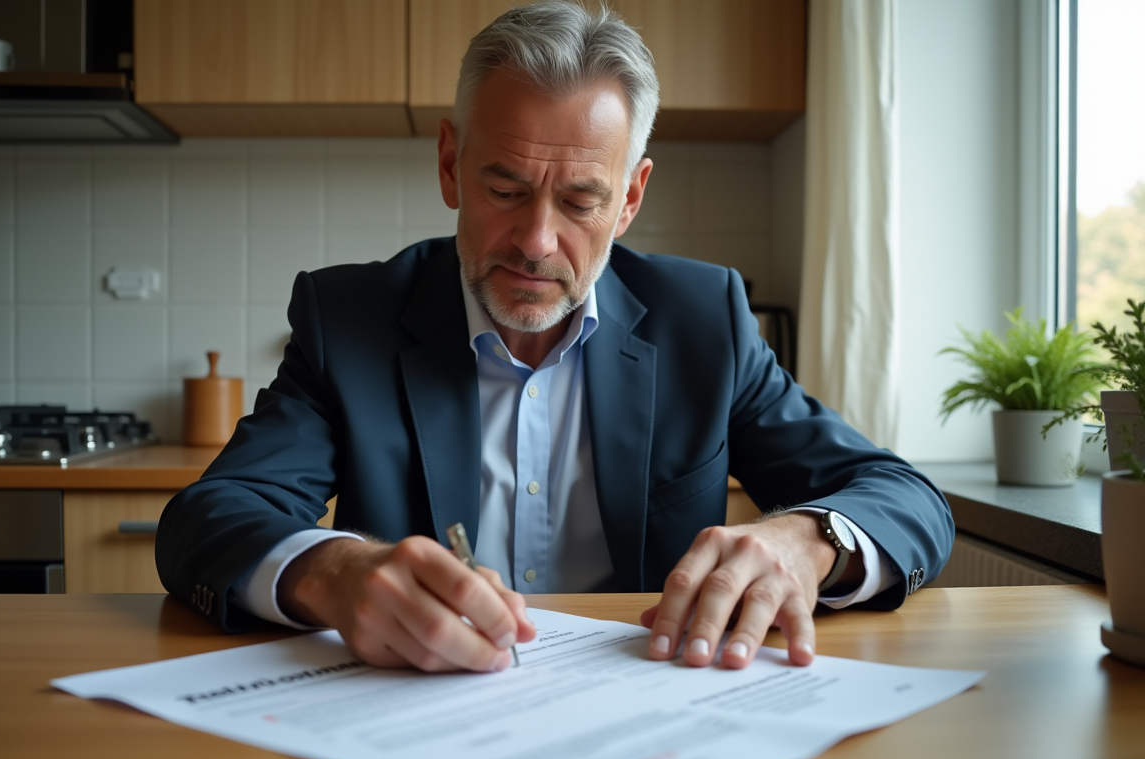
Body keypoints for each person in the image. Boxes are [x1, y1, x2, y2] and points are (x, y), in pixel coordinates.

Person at [156, 1, 952, 675]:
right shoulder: (351, 317)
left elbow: (906, 498)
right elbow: (210, 517)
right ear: (450, 165)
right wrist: (330, 572)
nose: (537, 240)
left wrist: (807, 541)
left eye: (580, 201)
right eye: (505, 188)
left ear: (630, 198)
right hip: (420, 715)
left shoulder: (703, 318)